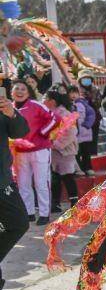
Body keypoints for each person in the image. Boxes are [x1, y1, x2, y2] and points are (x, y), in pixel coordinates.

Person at [10, 81, 56, 224]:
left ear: (28, 92)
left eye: (23, 89)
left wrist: (42, 133)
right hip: (20, 152)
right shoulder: (8, 108)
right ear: (11, 93)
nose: (20, 91)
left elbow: (54, 118)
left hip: (40, 150)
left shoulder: (36, 105)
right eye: (16, 88)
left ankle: (44, 214)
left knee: (41, 182)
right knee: (23, 184)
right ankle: (28, 213)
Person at [0, 90, 29, 290]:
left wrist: (11, 113)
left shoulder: (2, 108)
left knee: (19, 223)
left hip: (2, 180)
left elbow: (20, 132)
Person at [44, 90, 79, 214]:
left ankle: (75, 202)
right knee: (55, 177)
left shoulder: (64, 113)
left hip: (65, 151)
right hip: (54, 151)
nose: (43, 100)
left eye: (45, 98)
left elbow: (71, 132)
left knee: (68, 176)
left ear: (52, 101)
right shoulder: (49, 113)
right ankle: (55, 203)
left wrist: (56, 144)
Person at [68, 83, 96, 175]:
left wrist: (87, 124)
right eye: (70, 93)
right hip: (74, 136)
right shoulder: (67, 105)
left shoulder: (83, 103)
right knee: (76, 153)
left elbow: (91, 114)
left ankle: (88, 168)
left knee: (86, 153)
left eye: (75, 93)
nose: (73, 95)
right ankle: (79, 169)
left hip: (85, 133)